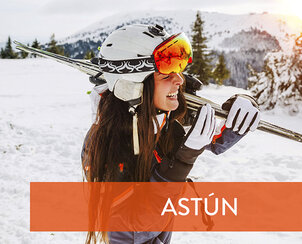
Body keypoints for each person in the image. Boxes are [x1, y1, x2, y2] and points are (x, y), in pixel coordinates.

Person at [81, 24, 261, 244]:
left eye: (178, 71)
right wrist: (181, 163)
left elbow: (212, 136)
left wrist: (240, 110)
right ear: (134, 86)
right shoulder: (105, 145)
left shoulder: (162, 115)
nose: (180, 80)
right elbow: (134, 230)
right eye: (165, 76)